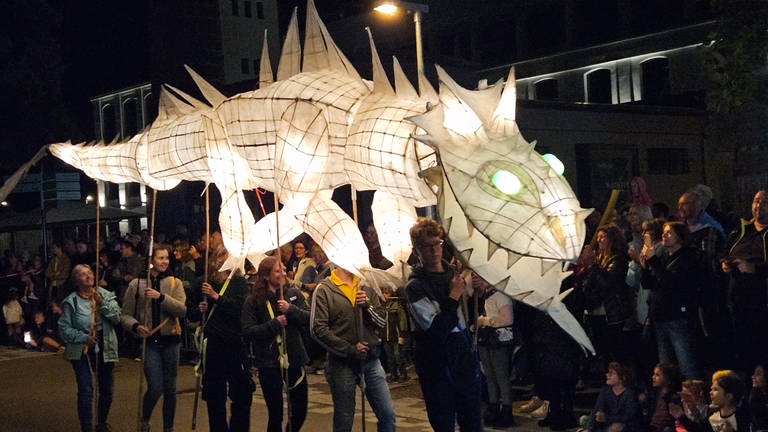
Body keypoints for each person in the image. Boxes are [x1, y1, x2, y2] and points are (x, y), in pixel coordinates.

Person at [404, 217, 482, 432]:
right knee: (443, 421)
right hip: (435, 362)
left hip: (462, 356)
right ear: (416, 250)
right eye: (426, 246)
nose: (434, 250)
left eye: (437, 243)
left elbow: (467, 318)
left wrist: (476, 289)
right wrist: (454, 295)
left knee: (473, 421)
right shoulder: (414, 287)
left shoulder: (454, 275)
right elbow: (437, 329)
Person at [310, 265, 396, 432]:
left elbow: (382, 323)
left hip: (371, 361)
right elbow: (317, 329)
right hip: (341, 363)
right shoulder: (324, 289)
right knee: (344, 418)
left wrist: (368, 306)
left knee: (387, 415)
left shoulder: (366, 286)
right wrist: (349, 348)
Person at [121, 244, 187, 432]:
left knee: (171, 389)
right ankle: (145, 418)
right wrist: (135, 326)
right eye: (160, 258)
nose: (164, 261)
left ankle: (169, 428)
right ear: (151, 260)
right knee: (155, 386)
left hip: (171, 340)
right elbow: (125, 314)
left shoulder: (175, 283)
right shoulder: (137, 284)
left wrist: (161, 297)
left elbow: (182, 310)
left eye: (166, 258)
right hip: (149, 342)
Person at [188, 246, 253, 432]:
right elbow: (190, 313)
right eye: (219, 257)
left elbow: (240, 311)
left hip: (234, 344)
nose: (221, 262)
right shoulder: (201, 283)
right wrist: (198, 309)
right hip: (213, 345)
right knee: (215, 395)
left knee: (241, 394)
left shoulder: (239, 283)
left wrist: (217, 298)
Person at [242, 256, 309, 432]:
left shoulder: (293, 293)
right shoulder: (253, 300)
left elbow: (309, 318)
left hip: (294, 358)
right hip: (269, 362)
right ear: (265, 275)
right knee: (276, 413)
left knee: (300, 410)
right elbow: (248, 331)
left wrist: (291, 310)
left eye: (283, 269)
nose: (283, 273)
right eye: (278, 271)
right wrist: (274, 324)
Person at [58, 264, 122, 432]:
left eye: (90, 273)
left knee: (107, 388)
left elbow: (116, 318)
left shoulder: (105, 294)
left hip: (105, 344)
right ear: (76, 281)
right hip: (82, 348)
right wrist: (83, 338)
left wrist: (102, 304)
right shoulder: (71, 302)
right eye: (82, 274)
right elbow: (64, 328)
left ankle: (101, 422)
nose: (88, 276)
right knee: (86, 388)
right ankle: (86, 427)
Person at [639, 222, 702, 380]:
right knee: (665, 365)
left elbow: (671, 283)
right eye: (664, 233)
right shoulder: (664, 257)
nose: (664, 235)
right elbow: (649, 284)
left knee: (685, 361)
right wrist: (645, 266)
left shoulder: (688, 257)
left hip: (677, 316)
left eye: (669, 233)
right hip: (660, 316)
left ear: (680, 236)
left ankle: (694, 397)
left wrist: (653, 261)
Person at [722, 189, 768, 373]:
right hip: (738, 300)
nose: (759, 206)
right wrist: (725, 263)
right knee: (742, 351)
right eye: (756, 201)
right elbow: (725, 251)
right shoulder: (741, 230)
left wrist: (754, 268)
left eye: (765, 202)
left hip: (762, 301)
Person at [578, 224, 633, 365]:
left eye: (603, 237)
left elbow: (609, 282)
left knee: (615, 348)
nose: (599, 240)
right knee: (601, 347)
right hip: (595, 310)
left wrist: (593, 265)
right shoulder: (600, 258)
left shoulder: (618, 259)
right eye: (598, 237)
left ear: (612, 239)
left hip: (612, 310)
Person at [473, 272, 515, 428]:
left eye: (480, 278)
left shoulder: (501, 296)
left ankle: (506, 411)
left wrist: (485, 321)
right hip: (488, 340)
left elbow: (507, 319)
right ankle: (493, 407)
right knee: (490, 376)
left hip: (498, 342)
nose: (476, 281)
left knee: (501, 377)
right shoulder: (487, 296)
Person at [674, 370, 750, 432]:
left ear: (729, 396)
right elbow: (700, 430)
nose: (710, 392)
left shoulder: (742, 417)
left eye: (715, 389)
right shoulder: (713, 417)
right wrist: (681, 416)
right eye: (711, 389)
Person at [580, 362, 641, 432]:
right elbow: (597, 410)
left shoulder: (630, 394)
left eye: (612, 373)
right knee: (585, 419)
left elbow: (629, 417)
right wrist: (589, 429)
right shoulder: (605, 391)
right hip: (606, 423)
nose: (607, 375)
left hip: (625, 426)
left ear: (622, 377)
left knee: (616, 427)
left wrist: (607, 418)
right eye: (608, 372)